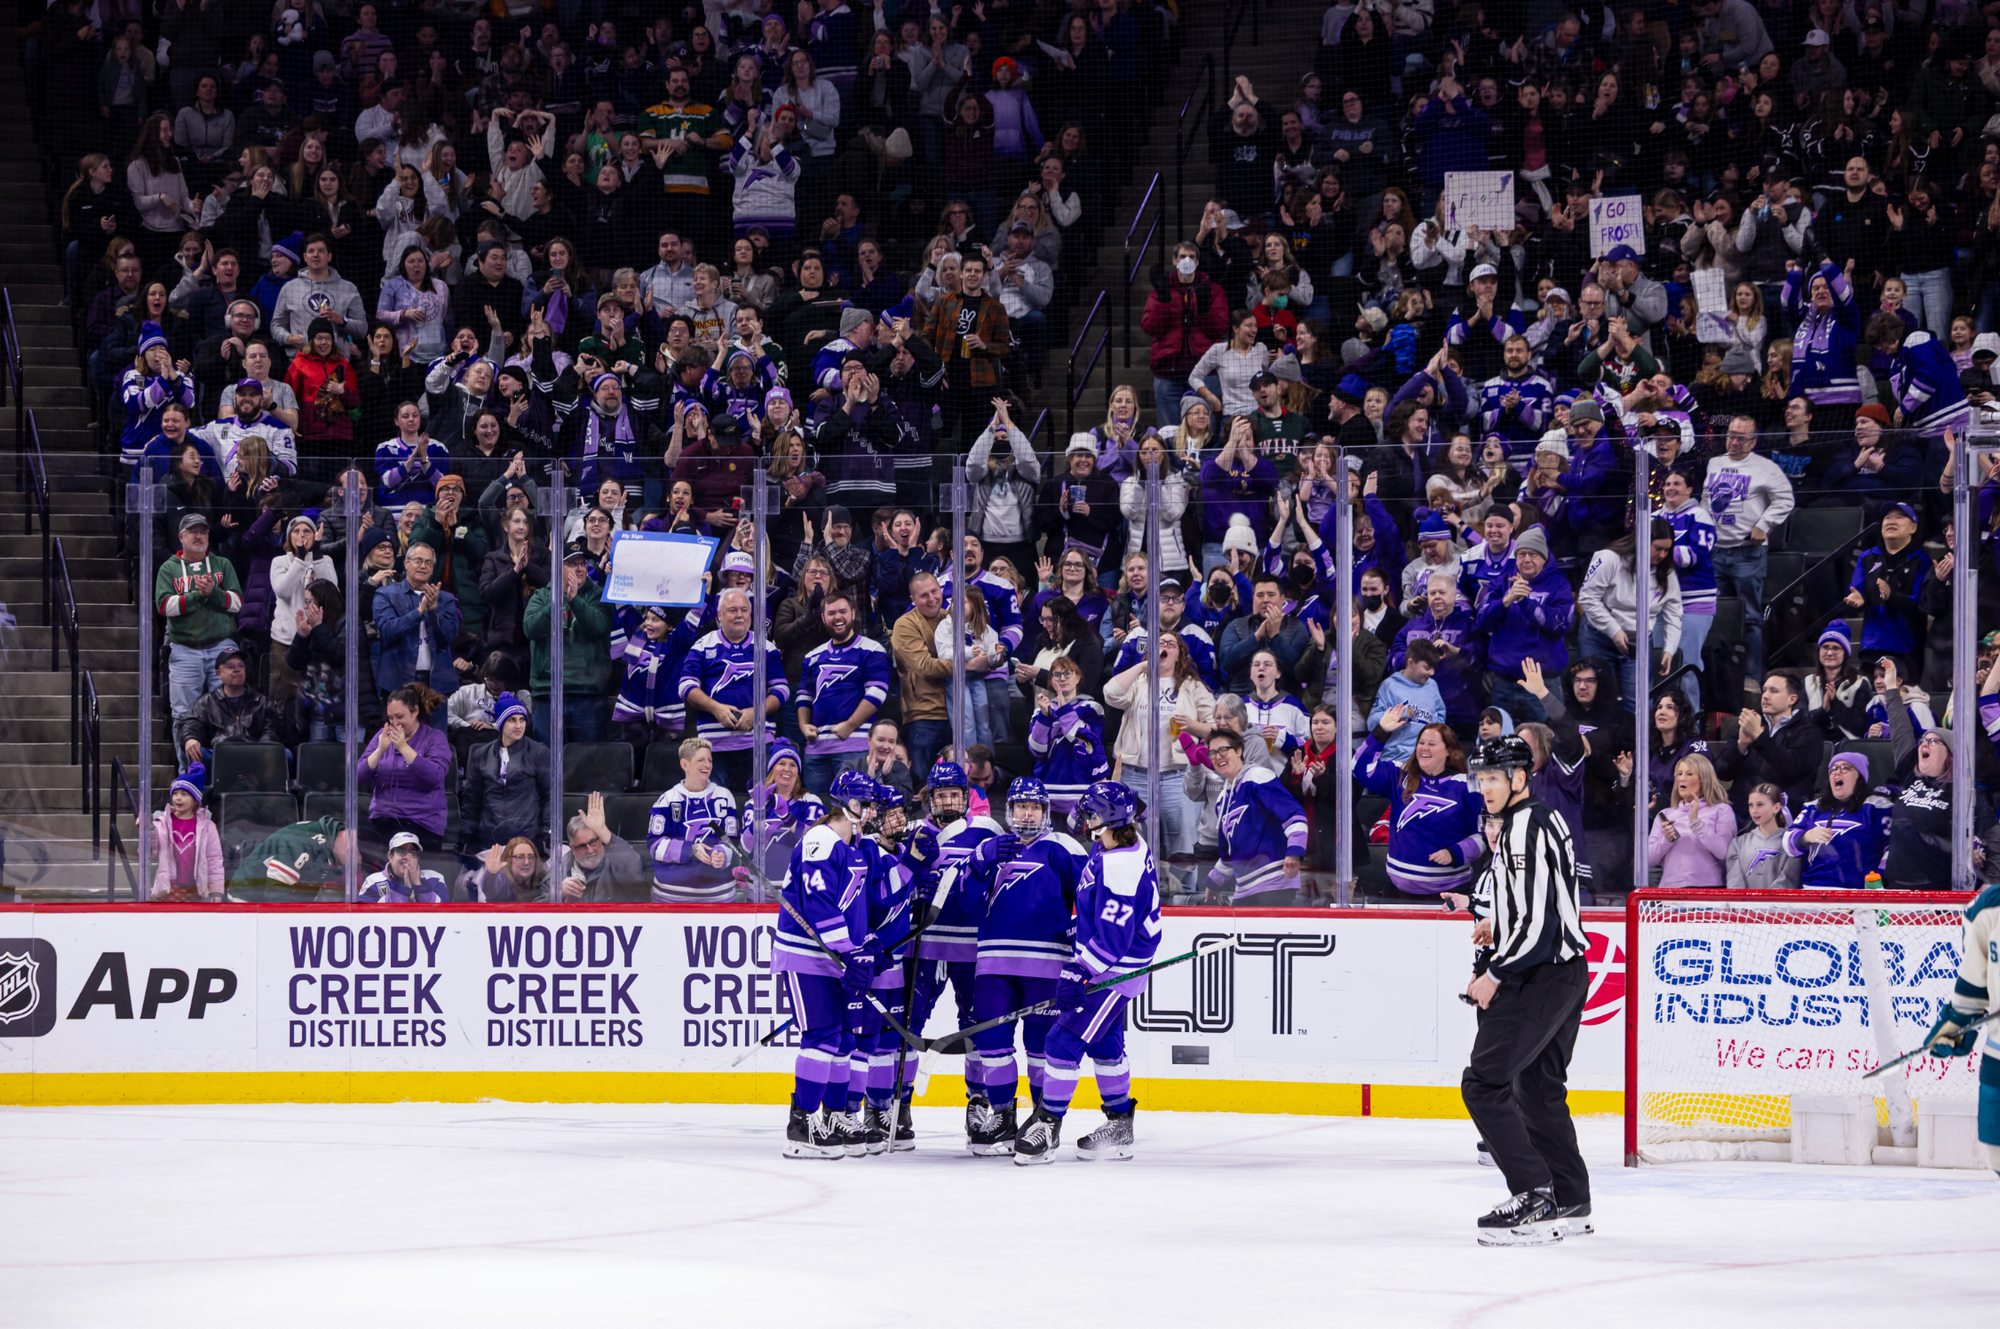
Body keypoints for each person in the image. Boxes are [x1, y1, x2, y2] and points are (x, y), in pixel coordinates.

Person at [1459, 735, 1592, 1245]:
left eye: (1494, 777)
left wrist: (1494, 975)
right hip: (1566, 971)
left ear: (1519, 777)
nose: (1485, 787)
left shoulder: (1521, 827)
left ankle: (1534, 1194)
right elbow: (1539, 903)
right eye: (1482, 778)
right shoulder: (1540, 817)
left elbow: (1538, 924)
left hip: (1539, 974)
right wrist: (1499, 921)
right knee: (1537, 1088)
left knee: (1484, 1083)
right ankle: (1570, 1197)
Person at [1007, 781, 1159, 1164]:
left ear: (1106, 818)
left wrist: (1080, 969)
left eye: (1091, 812)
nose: (1084, 818)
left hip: (1112, 972)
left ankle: (1048, 1126)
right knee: (1106, 1046)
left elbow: (1114, 940)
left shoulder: (1121, 866)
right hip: (1113, 965)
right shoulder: (1112, 845)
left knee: (1061, 1042)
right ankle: (1119, 1125)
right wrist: (1078, 930)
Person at [959, 776, 1090, 1154]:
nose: (1027, 813)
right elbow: (966, 905)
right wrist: (979, 864)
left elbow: (1090, 901)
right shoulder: (992, 848)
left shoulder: (1063, 847)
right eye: (1020, 806)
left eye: (1034, 806)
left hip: (1047, 965)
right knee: (992, 1045)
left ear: (1046, 811)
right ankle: (1002, 1115)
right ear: (1009, 810)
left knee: (1040, 1046)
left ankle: (1040, 1119)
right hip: (994, 964)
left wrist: (1078, 942)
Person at [773, 775, 874, 1159]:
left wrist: (864, 946)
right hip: (807, 955)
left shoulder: (855, 844)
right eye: (870, 803)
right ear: (852, 805)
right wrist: (848, 951)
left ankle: (832, 1117)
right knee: (823, 1037)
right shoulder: (821, 840)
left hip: (836, 956)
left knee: (845, 1039)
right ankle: (802, 1124)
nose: (875, 811)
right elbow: (819, 903)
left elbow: (853, 907)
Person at [1353, 713, 1484, 900]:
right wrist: (1380, 732)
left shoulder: (1468, 785)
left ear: (1449, 750)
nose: (1424, 748)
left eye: (1432, 744)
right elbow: (1358, 768)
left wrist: (1455, 853)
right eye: (1421, 742)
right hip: (1398, 892)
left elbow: (1483, 835)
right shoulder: (1400, 774)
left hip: (1449, 894)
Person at [680, 586, 788, 791]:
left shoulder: (765, 647)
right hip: (712, 743)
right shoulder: (702, 645)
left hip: (757, 743)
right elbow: (686, 686)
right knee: (713, 804)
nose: (739, 615)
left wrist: (756, 712)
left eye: (744, 610)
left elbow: (781, 690)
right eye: (732, 610)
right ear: (719, 615)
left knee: (760, 806)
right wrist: (715, 708)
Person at [797, 590, 892, 796]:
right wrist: (804, 725)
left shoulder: (872, 649)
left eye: (842, 611)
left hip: (855, 746)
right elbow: (804, 695)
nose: (837, 617)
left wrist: (850, 725)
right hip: (816, 750)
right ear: (823, 618)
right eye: (831, 613)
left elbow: (877, 693)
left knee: (857, 810)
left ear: (852, 613)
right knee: (817, 812)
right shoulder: (813, 656)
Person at [1205, 727, 1309, 906]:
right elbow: (1229, 854)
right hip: (1244, 888)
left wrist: (1295, 852)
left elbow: (1294, 813)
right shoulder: (1223, 799)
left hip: (1275, 882)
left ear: (1239, 751)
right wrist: (1213, 883)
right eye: (1212, 753)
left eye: (1223, 750)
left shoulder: (1258, 776)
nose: (1218, 756)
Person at [155, 512, 242, 723]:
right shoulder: (169, 568)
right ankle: (189, 757)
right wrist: (198, 596)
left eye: (203, 531)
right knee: (184, 715)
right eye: (192, 531)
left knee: (230, 710)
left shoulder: (222, 564)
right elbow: (164, 606)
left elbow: (237, 603)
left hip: (222, 646)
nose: (198, 535)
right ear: (181, 537)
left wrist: (213, 593)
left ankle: (221, 756)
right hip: (184, 648)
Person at [647, 737, 743, 903]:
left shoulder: (725, 797)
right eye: (701, 760)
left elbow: (732, 840)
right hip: (671, 897)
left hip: (718, 895)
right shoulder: (667, 800)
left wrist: (723, 853)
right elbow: (655, 845)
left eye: (710, 760)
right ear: (685, 765)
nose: (708, 765)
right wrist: (690, 850)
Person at [357, 684, 452, 852]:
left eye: (399, 717)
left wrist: (403, 747)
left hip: (422, 821)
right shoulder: (382, 735)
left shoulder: (434, 738)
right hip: (384, 818)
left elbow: (435, 775)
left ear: (415, 711)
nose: (394, 723)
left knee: (404, 854)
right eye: (391, 718)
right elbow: (359, 777)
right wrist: (380, 750)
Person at [1783, 751, 1892, 890]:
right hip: (1811, 891)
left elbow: (1891, 850)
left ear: (1860, 776)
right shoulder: (1813, 807)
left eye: (1845, 768)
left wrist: (1877, 882)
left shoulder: (1876, 807)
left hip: (1856, 895)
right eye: (1833, 769)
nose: (1836, 773)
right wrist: (1806, 837)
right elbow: (1787, 843)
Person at [459, 692, 550, 856]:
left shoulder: (538, 752)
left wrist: (546, 833)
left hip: (528, 841)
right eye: (512, 720)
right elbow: (471, 799)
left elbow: (550, 796)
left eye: (522, 720)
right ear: (500, 722)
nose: (518, 725)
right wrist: (467, 835)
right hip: (489, 840)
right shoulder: (481, 754)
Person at [373, 541, 462, 700]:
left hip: (437, 683)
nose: (423, 566)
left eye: (428, 563)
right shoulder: (385, 594)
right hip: (397, 681)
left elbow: (449, 636)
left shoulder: (445, 599)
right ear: (406, 563)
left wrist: (434, 609)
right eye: (418, 561)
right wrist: (419, 612)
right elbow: (387, 631)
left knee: (435, 726)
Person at [1027, 655, 1110, 822]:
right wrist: (1044, 717)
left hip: (1082, 794)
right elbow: (1037, 750)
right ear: (1050, 680)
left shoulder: (1092, 708)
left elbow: (1085, 742)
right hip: (1047, 794)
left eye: (1067, 673)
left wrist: (1064, 710)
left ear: (1078, 677)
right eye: (1056, 675)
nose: (1062, 678)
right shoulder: (1041, 711)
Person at [173, 648, 282, 769]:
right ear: (218, 674)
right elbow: (190, 723)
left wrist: (263, 749)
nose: (237, 669)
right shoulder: (206, 703)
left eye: (240, 666)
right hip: (219, 755)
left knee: (284, 755)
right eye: (230, 666)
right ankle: (196, 787)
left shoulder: (262, 702)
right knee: (197, 753)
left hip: (255, 754)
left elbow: (271, 731)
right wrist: (190, 738)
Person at [889, 572, 952, 776]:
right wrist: (968, 664)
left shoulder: (952, 618)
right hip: (923, 716)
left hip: (957, 714)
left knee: (954, 785)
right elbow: (925, 666)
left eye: (935, 591)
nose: (932, 598)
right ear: (913, 600)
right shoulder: (905, 624)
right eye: (924, 595)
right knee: (925, 785)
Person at [1646, 754, 1737, 887]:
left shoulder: (1721, 810)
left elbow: (1724, 854)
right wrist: (1666, 840)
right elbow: (1648, 860)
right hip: (1670, 893)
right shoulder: (1665, 814)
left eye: (1689, 774)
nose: (1682, 778)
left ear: (1704, 779)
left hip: (1708, 891)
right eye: (1679, 774)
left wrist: (1697, 824)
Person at [146, 763, 224, 902]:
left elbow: (214, 860)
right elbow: (151, 854)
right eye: (175, 793)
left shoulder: (208, 827)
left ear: (195, 800)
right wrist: (148, 831)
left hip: (197, 890)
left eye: (184, 794)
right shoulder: (162, 823)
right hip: (169, 889)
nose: (178, 798)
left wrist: (216, 892)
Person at [557, 795, 651, 902]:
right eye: (582, 846)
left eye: (593, 842)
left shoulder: (617, 861)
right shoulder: (561, 867)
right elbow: (537, 907)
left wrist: (605, 834)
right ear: (572, 849)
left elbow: (633, 873)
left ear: (600, 840)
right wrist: (556, 893)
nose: (590, 850)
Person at [360, 830, 454, 904]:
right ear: (390, 856)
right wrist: (403, 889)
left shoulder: (435, 878)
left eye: (413, 853)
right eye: (401, 851)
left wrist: (418, 884)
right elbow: (369, 919)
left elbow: (442, 915)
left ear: (418, 858)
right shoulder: (373, 882)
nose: (407, 857)